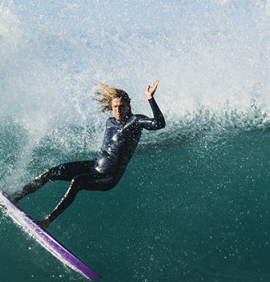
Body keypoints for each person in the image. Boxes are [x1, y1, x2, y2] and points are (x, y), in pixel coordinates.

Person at [9, 80, 165, 228]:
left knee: (77, 181)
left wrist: (150, 99)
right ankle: (16, 196)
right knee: (52, 171)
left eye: (122, 106)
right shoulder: (110, 122)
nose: (118, 110)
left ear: (128, 106)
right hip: (94, 166)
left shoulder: (135, 122)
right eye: (115, 106)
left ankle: (47, 221)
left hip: (108, 176)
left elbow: (159, 123)